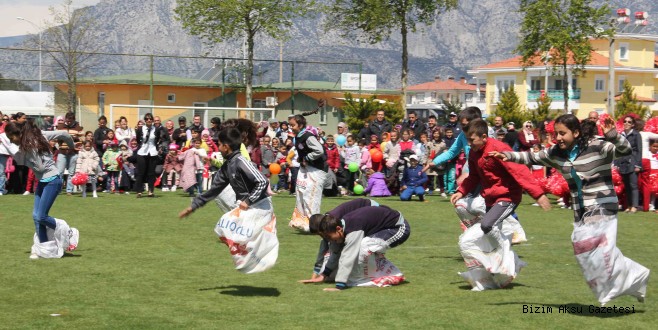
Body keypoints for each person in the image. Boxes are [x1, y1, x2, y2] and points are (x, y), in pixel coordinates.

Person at [491, 115, 650, 304]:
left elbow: (625, 150)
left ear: (575, 133)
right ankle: (636, 277)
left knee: (598, 251)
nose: (557, 137)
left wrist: (613, 135)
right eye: (555, 133)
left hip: (602, 206)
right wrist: (507, 156)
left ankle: (616, 287)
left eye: (562, 133)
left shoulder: (597, 146)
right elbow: (531, 156)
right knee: (585, 251)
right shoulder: (556, 153)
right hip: (580, 211)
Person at [451, 119, 550, 290]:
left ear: (483, 137)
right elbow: (473, 176)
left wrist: (538, 195)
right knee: (485, 236)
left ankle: (507, 254)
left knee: (487, 225)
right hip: (491, 198)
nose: (469, 144)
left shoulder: (498, 149)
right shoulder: (474, 153)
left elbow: (519, 171)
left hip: (508, 197)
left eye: (472, 140)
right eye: (467, 140)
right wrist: (461, 191)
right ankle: (503, 268)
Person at [2, 121, 79, 258]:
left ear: (18, 134)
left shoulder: (40, 136)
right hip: (42, 182)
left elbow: (64, 134)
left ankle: (66, 230)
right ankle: (45, 249)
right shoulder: (23, 147)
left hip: (53, 180)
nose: (11, 141)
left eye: (11, 137)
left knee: (41, 216)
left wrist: (71, 148)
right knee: (36, 217)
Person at [306, 205, 410, 291]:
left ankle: (391, 274)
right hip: (382, 226)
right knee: (361, 246)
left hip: (399, 227)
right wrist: (324, 275)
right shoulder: (338, 228)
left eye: (329, 237)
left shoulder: (353, 229)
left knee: (364, 245)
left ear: (338, 229)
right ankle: (380, 273)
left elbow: (348, 257)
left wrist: (339, 286)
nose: (329, 240)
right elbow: (336, 252)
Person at [179, 127, 270, 216]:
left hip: (260, 209)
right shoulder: (227, 166)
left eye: (219, 144)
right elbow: (214, 190)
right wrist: (194, 206)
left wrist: (248, 201)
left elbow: (262, 181)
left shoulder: (241, 162)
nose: (218, 148)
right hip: (247, 208)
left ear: (226, 147)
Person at [301, 198, 381, 282]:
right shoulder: (326, 224)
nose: (322, 236)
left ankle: (371, 271)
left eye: (320, 234)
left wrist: (323, 275)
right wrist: (314, 276)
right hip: (366, 212)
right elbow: (323, 249)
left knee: (357, 245)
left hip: (373, 209)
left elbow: (336, 250)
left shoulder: (332, 222)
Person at [288, 114, 328, 231]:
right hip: (306, 168)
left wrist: (307, 158)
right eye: (290, 125)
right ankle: (300, 220)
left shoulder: (308, 136)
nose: (291, 127)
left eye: (293, 125)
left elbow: (319, 150)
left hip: (317, 170)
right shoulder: (298, 136)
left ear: (300, 125)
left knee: (311, 195)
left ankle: (314, 225)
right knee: (300, 191)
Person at [134, 113, 168, 198]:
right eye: (147, 119)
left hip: (152, 152)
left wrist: (157, 148)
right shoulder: (140, 129)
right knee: (141, 172)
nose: (149, 120)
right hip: (142, 152)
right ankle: (139, 191)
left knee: (151, 173)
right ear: (145, 120)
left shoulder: (156, 129)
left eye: (150, 119)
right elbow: (138, 140)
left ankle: (150, 191)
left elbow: (158, 139)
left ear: (152, 120)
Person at [614, 115, 643, 213]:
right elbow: (617, 149)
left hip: (633, 162)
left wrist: (638, 164)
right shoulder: (621, 135)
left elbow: (639, 150)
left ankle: (635, 206)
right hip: (623, 163)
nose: (626, 123)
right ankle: (629, 205)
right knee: (627, 186)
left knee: (633, 185)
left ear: (633, 125)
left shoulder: (636, 135)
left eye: (629, 122)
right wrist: (616, 163)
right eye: (625, 121)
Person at [56, 111, 83, 195]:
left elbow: (82, 140)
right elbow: (56, 137)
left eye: (70, 120)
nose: (68, 122)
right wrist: (64, 138)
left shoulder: (78, 128)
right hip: (62, 152)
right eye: (67, 120)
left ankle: (69, 190)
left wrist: (76, 138)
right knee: (59, 172)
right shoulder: (60, 127)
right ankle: (57, 190)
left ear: (74, 120)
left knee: (71, 172)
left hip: (73, 152)